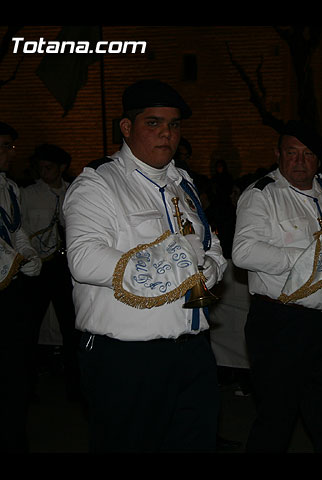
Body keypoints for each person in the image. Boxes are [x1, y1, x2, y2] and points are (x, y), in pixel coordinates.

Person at [63, 79, 227, 452]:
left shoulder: (180, 182)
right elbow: (84, 259)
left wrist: (210, 269)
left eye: (173, 125)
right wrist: (177, 268)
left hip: (192, 349)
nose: (166, 134)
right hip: (128, 357)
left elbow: (208, 242)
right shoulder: (98, 183)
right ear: (127, 127)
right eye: (153, 123)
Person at [232, 120, 322, 453]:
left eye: (307, 154)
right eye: (292, 153)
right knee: (276, 419)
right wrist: (312, 260)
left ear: (318, 159)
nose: (300, 161)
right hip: (281, 322)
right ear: (277, 155)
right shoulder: (261, 195)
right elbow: (243, 252)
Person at [20, 144, 81, 401]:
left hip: (65, 267)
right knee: (29, 327)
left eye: (49, 167)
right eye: (40, 167)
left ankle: (76, 386)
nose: (43, 172)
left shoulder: (75, 192)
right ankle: (26, 386)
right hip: (39, 266)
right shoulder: (28, 194)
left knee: (72, 326)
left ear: (62, 168)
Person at [0, 121, 42, 451]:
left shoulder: (9, 187)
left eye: (10, 146)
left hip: (9, 289)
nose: (9, 153)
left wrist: (27, 251)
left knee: (16, 369)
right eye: (2, 145)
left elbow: (15, 230)